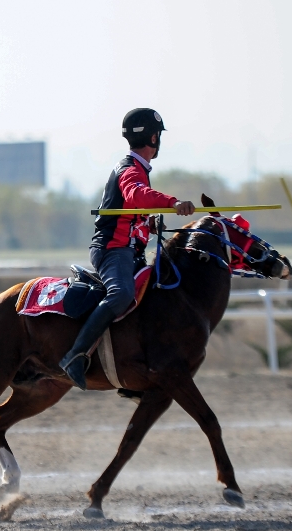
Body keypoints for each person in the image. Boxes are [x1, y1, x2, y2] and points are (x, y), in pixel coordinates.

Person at [59, 108, 196, 390]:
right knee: (122, 294)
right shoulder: (130, 170)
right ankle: (74, 355)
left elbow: (133, 213)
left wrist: (151, 225)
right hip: (113, 250)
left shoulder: (139, 170)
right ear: (153, 137)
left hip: (128, 251)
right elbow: (136, 196)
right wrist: (172, 203)